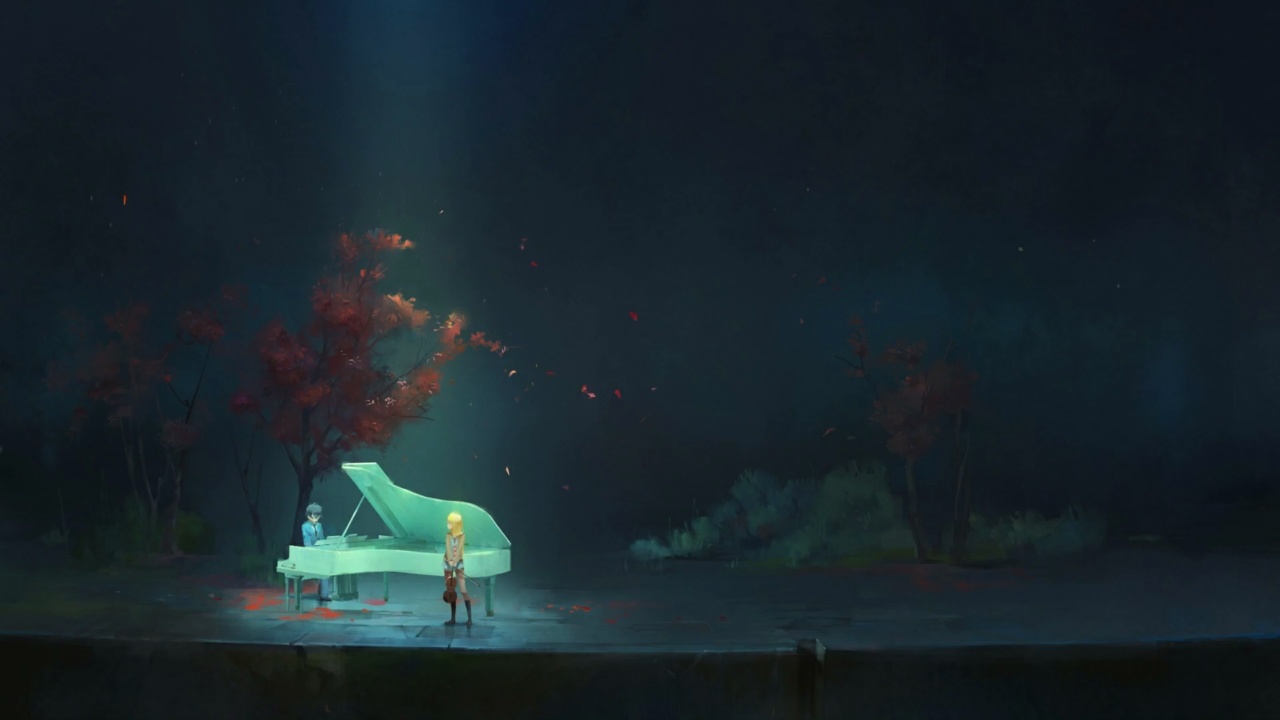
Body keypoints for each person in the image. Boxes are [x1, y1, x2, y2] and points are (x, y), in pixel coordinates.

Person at [443, 511, 472, 625]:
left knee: (463, 590)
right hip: (447, 562)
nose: (447, 524)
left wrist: (455, 561)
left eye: (449, 523)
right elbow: (448, 549)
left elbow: (459, 550)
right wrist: (450, 560)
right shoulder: (448, 535)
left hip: (459, 563)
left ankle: (469, 619)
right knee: (451, 589)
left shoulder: (462, 536)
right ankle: (453, 619)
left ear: (455, 524)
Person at [301, 503, 332, 602]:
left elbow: (321, 540)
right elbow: (307, 543)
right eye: (313, 515)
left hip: (319, 553)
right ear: (309, 515)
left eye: (317, 516)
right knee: (323, 569)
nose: (315, 518)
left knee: (327, 568)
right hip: (310, 554)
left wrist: (324, 549)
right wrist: (315, 552)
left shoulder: (319, 526)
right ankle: (323, 593)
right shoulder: (305, 526)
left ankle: (324, 593)